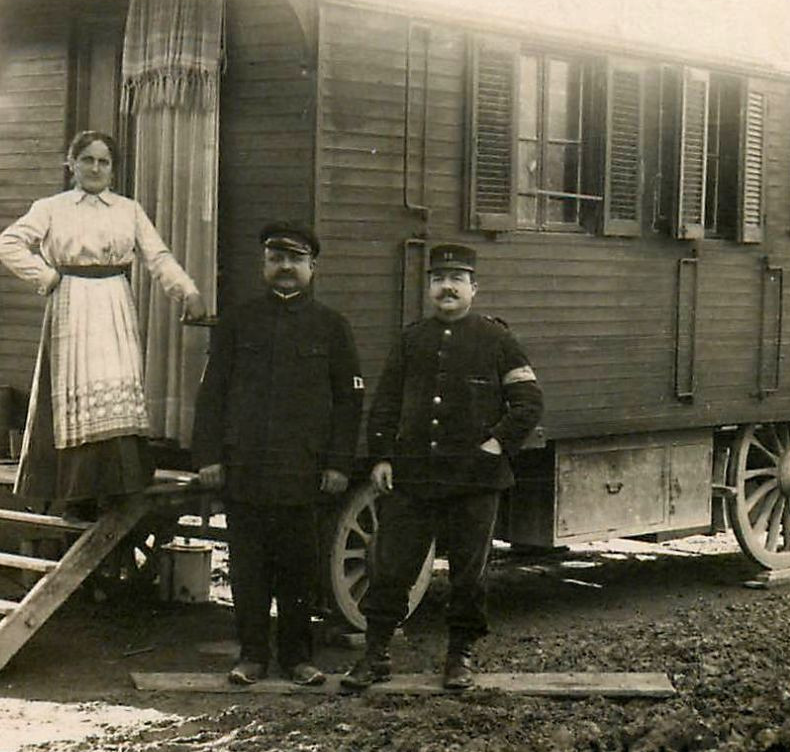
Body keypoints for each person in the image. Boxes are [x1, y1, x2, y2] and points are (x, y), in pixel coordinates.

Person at [343, 243, 543, 692]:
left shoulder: (497, 340)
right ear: (429, 287)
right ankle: (375, 656)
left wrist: (496, 443)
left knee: (468, 576)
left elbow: (529, 402)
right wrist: (381, 457)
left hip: (474, 481)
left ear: (474, 288)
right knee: (390, 567)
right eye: (438, 280)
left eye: (457, 279)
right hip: (414, 477)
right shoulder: (412, 339)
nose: (447, 287)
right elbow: (386, 405)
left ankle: (460, 657)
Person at [0, 130, 206, 508]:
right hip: (72, 303)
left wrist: (186, 290)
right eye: (87, 160)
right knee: (77, 385)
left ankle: (121, 482)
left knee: (115, 380)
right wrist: (45, 276)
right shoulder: (51, 207)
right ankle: (76, 489)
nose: (95, 168)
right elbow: (7, 244)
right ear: (71, 164)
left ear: (112, 169)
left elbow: (157, 257)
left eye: (103, 161)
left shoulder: (128, 210)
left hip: (114, 302)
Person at [193, 222, 363, 686]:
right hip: (246, 466)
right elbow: (212, 394)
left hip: (303, 470)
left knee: (299, 570)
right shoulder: (237, 322)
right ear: (264, 266)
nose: (286, 268)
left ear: (312, 267)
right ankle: (251, 655)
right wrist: (209, 456)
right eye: (276, 259)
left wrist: (337, 463)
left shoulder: (332, 327)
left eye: (295, 260)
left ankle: (297, 658)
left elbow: (349, 402)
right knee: (247, 568)